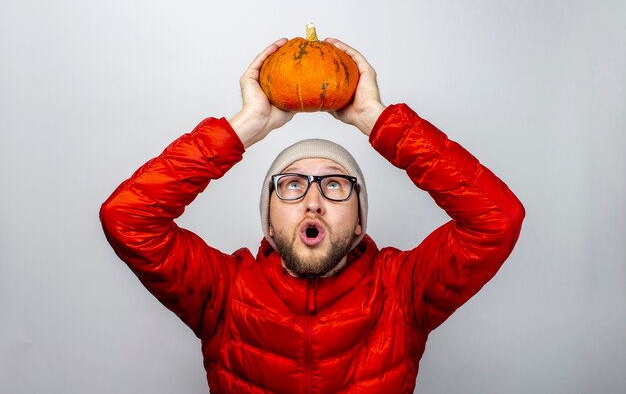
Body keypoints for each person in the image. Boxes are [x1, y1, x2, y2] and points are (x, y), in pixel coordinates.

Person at [100, 37, 525, 393]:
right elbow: (128, 218)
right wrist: (248, 125)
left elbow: (497, 218)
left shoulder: (403, 292)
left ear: (360, 221)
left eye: (335, 184)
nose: (313, 200)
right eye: (291, 184)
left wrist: (374, 119)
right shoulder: (222, 294)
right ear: (267, 221)